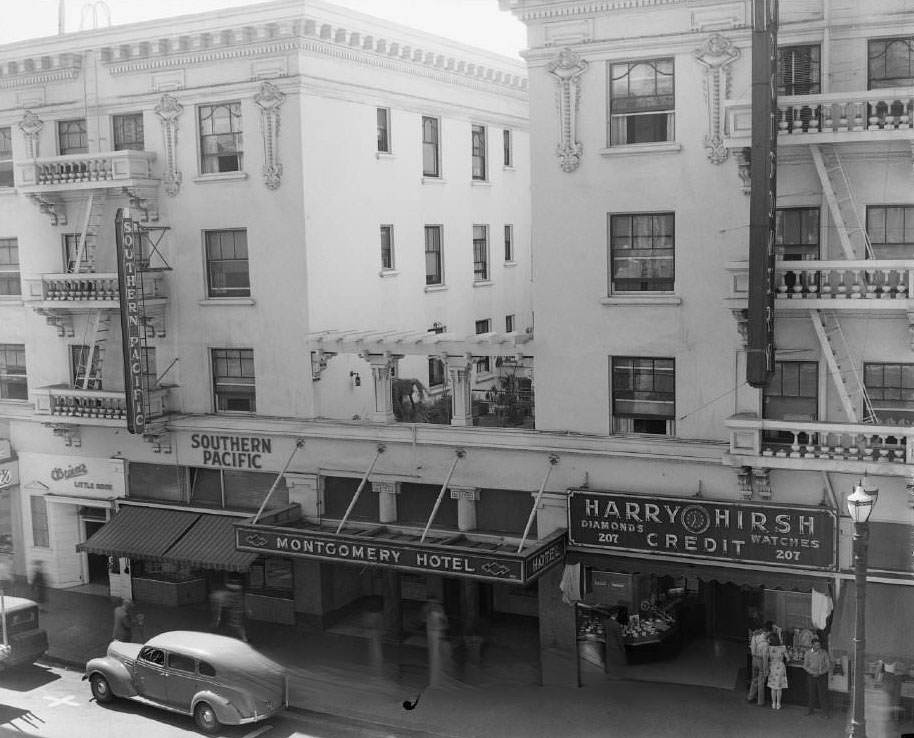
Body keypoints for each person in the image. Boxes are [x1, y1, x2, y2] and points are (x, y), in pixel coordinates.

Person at [803, 637, 832, 718]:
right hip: (811, 675)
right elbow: (805, 666)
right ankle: (810, 710)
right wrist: (812, 672)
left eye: (819, 645)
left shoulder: (824, 653)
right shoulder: (808, 653)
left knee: (822, 694)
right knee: (811, 693)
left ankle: (825, 713)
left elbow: (828, 665)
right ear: (812, 645)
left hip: (821, 676)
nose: (818, 647)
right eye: (816, 645)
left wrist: (820, 672)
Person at [423, 598, 448, 688]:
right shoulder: (428, 608)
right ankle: (435, 675)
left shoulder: (437, 608)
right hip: (432, 631)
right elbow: (425, 619)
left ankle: (436, 676)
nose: (432, 603)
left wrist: (442, 628)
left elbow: (443, 620)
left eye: (433, 602)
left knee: (436, 653)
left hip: (435, 631)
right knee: (434, 652)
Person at [747, 621, 772, 705]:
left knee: (754, 678)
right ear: (767, 632)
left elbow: (752, 649)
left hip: (754, 659)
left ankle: (750, 696)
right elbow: (765, 658)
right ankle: (760, 701)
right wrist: (766, 670)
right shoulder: (765, 644)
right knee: (761, 681)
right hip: (761, 660)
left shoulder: (755, 637)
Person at [766, 632, 788, 710]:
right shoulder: (783, 648)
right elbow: (788, 658)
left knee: (773, 687)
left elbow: (766, 658)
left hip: (772, 667)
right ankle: (778, 704)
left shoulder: (769, 648)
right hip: (781, 667)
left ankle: (773, 703)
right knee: (779, 687)